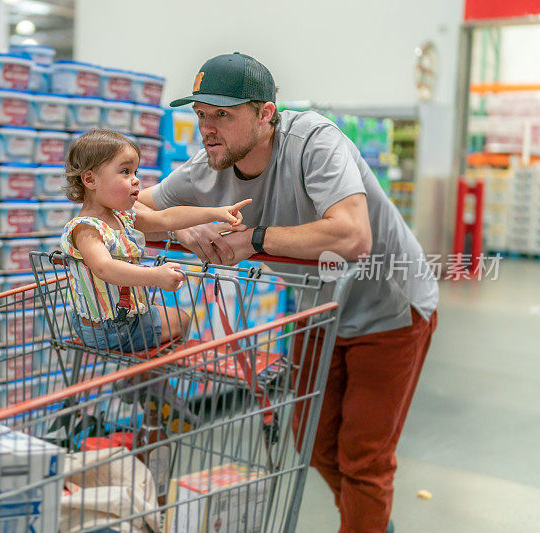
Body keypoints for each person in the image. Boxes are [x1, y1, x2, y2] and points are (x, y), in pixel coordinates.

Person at [138, 52, 439, 533]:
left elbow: (353, 237)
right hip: (317, 310)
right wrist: (181, 231)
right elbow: (130, 210)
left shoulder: (314, 142)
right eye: (199, 114)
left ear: (265, 115)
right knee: (314, 443)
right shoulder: (206, 169)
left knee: (363, 459)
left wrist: (254, 239)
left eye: (222, 115)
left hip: (390, 309)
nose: (206, 128)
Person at [60, 128, 251, 354]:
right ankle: (152, 385)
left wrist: (214, 212)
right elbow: (104, 268)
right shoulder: (86, 228)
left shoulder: (122, 216)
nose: (136, 180)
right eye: (125, 172)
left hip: (118, 320)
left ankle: (143, 381)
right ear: (90, 179)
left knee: (167, 317)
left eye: (135, 171)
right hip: (110, 328)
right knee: (182, 320)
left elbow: (166, 217)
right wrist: (155, 276)